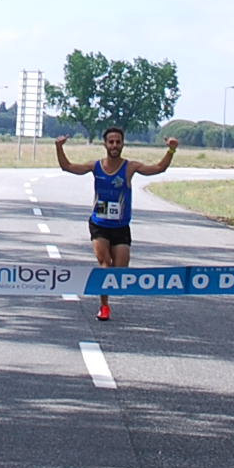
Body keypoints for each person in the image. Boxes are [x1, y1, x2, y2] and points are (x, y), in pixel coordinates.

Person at [55, 124, 179, 322]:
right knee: (105, 264)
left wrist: (171, 149)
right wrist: (59, 147)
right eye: (111, 142)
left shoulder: (130, 167)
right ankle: (104, 306)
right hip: (99, 224)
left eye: (118, 142)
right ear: (105, 144)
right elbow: (68, 167)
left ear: (122, 144)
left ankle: (106, 295)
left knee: (119, 271)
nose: (114, 145)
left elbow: (158, 168)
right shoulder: (95, 166)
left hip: (121, 226)